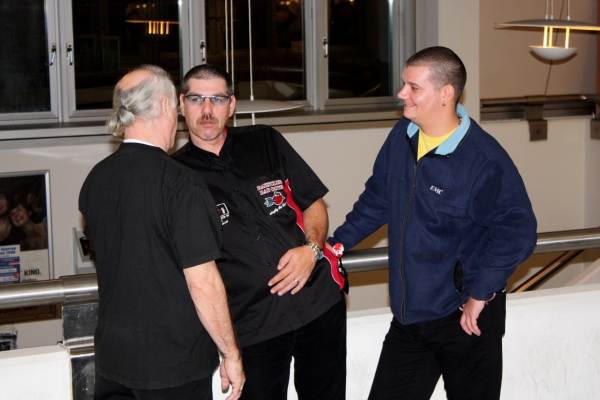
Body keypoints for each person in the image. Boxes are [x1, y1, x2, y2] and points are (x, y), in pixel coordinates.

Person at [329, 46, 538, 400]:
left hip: (466, 317)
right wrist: (338, 243)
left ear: (446, 94)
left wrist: (481, 292)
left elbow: (518, 231)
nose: (402, 94)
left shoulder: (484, 160)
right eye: (404, 84)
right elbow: (379, 197)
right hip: (410, 318)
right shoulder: (402, 135)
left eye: (414, 87)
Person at [172, 64, 347, 400]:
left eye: (217, 99)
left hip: (318, 305)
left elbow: (314, 204)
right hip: (251, 327)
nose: (207, 110)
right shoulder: (175, 176)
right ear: (182, 104)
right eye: (196, 99)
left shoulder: (265, 140)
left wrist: (312, 250)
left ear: (232, 105)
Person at [79, 65, 245, 400]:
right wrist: (231, 354)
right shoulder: (181, 183)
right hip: (173, 368)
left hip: (113, 362)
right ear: (168, 106)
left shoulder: (95, 179)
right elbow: (203, 282)